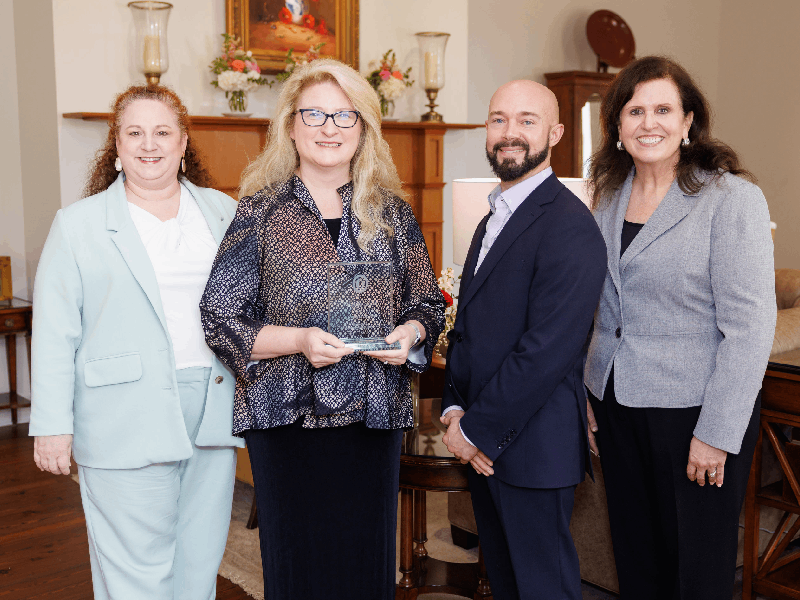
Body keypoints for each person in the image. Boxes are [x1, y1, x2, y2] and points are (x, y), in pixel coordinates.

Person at [199, 58, 444, 600]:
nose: (329, 128)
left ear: (363, 130)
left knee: (365, 561)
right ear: (291, 125)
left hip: (372, 416)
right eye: (315, 114)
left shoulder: (394, 214)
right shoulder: (260, 212)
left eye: (344, 116)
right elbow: (220, 317)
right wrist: (298, 340)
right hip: (286, 418)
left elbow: (428, 302)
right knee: (298, 564)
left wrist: (410, 332)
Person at [30, 85, 243, 600]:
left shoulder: (223, 212)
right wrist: (52, 426)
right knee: (136, 572)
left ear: (184, 142)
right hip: (122, 413)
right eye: (135, 133)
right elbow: (56, 331)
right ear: (117, 147)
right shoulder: (78, 225)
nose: (150, 145)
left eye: (163, 132)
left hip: (212, 408)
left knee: (199, 559)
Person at [584, 56, 776, 600]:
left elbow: (750, 327)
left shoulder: (731, 200)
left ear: (689, 120)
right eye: (635, 110)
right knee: (637, 559)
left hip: (696, 412)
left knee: (696, 569)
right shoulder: (606, 199)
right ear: (617, 126)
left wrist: (715, 435)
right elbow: (599, 311)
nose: (650, 123)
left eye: (664, 109)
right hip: (617, 404)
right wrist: (590, 396)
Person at [440, 80, 607, 600]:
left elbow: (548, 350)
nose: (510, 133)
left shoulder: (569, 224)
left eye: (527, 121)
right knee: (508, 586)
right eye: (498, 120)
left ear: (555, 133)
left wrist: (475, 431)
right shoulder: (494, 215)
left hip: (533, 447)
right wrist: (452, 410)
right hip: (487, 440)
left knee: (544, 589)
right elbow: (469, 329)